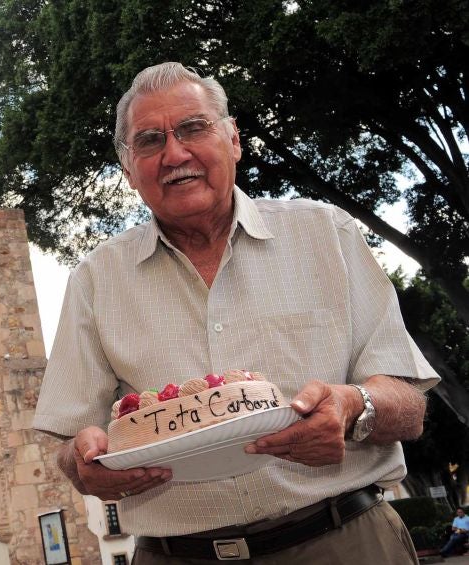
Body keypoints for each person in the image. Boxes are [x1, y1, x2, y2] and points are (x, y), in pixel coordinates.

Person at [32, 62, 440, 564]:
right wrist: (84, 461)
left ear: (234, 141)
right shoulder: (95, 280)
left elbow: (409, 403)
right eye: (150, 140)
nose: (175, 153)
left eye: (193, 128)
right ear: (128, 171)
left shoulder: (325, 234)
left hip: (345, 541)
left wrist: (355, 406)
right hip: (176, 555)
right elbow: (73, 444)